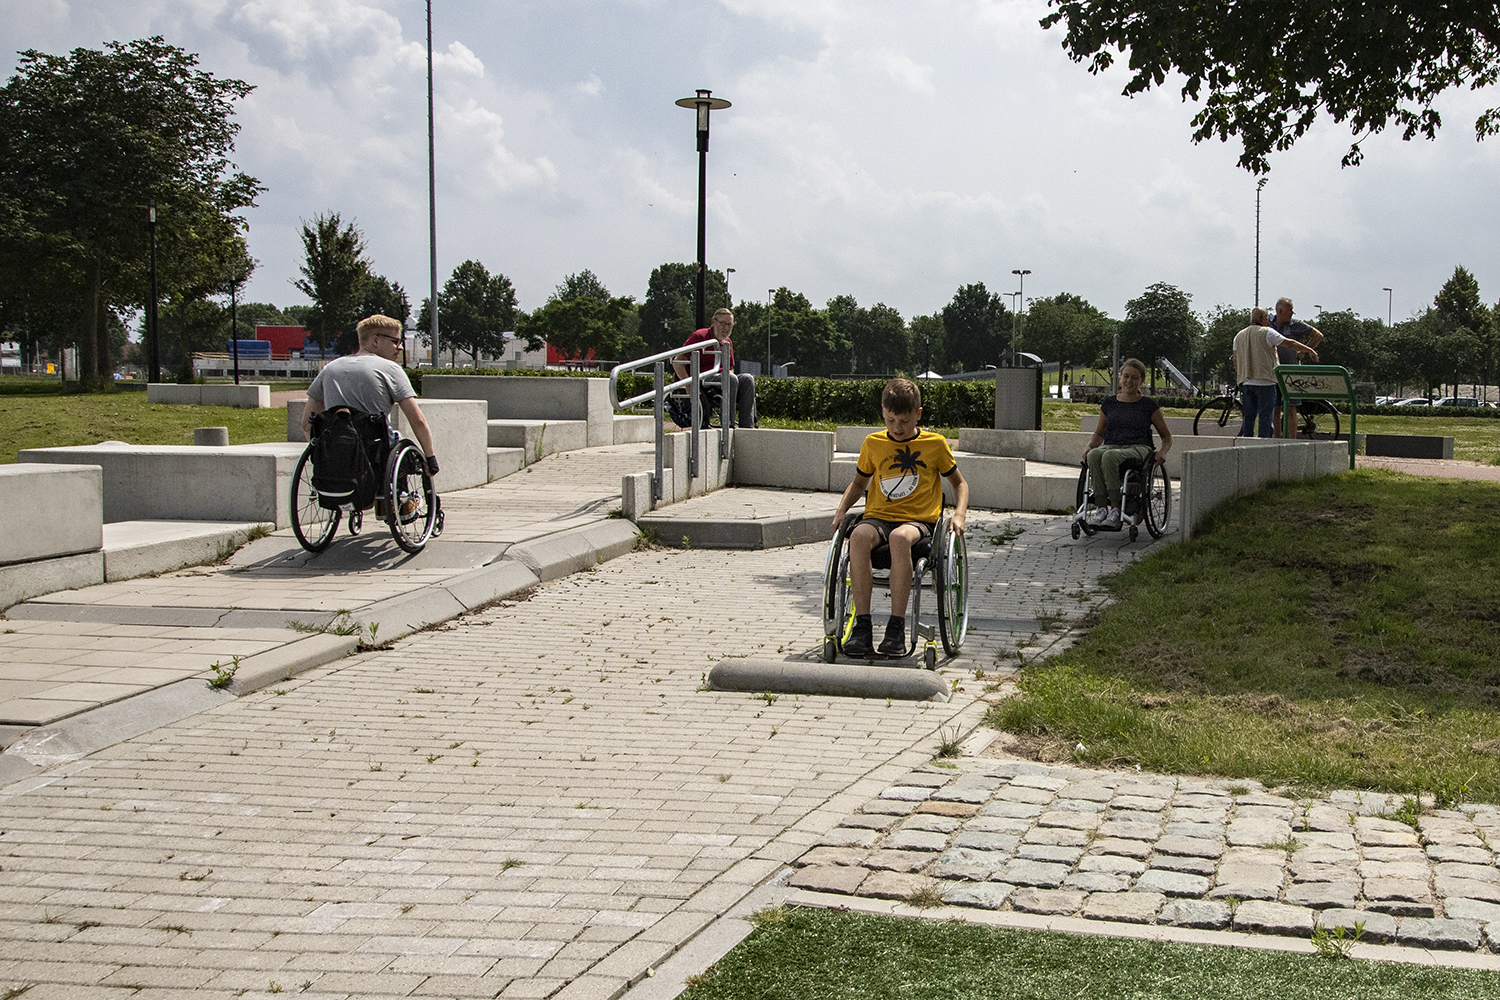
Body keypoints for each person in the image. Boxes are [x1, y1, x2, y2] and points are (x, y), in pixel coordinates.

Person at [831, 378, 969, 657]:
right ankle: (863, 627)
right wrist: (841, 510)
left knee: (899, 538)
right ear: (883, 411)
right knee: (857, 536)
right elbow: (858, 484)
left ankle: (896, 628)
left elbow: (960, 484)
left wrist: (959, 514)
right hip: (879, 516)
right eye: (891, 420)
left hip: (917, 521)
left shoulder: (935, 444)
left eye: (904, 421)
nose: (897, 428)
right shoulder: (873, 443)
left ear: (918, 414)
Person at [302, 314, 439, 478]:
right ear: (375, 340)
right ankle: (404, 499)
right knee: (401, 449)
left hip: (337, 451)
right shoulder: (390, 369)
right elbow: (417, 420)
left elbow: (306, 423)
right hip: (377, 454)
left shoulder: (330, 369)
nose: (400, 347)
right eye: (395, 341)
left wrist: (321, 450)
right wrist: (430, 457)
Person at [1080, 358, 1173, 529]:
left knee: (1109, 456)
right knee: (1094, 455)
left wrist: (1162, 452)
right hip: (1112, 444)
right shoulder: (1109, 403)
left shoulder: (1148, 405)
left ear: (1141, 381)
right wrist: (1089, 446)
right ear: (1120, 377)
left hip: (1138, 447)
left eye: (1135, 378)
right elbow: (1099, 433)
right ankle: (1101, 508)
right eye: (1126, 376)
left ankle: (1115, 510)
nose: (1129, 381)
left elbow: (1166, 436)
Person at [1232, 307, 1319, 437]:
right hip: (1265, 381)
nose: (1268, 319)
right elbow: (1289, 343)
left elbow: (1235, 359)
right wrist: (1309, 350)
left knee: (1248, 417)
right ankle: (1265, 444)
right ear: (1262, 319)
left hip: (1246, 382)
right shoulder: (1267, 332)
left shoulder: (1239, 336)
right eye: (1266, 317)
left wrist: (1241, 375)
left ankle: (1247, 443)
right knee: (1265, 416)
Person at [673, 307, 756, 427]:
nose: (726, 328)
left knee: (747, 379)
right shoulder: (699, 337)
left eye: (729, 325)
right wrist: (688, 384)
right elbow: (678, 361)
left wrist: (731, 378)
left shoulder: (727, 342)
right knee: (730, 379)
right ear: (713, 322)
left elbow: (730, 368)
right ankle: (728, 425)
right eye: (723, 324)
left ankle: (746, 426)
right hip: (703, 378)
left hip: (723, 377)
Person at [1269, 297, 1325, 437]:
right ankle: (1276, 440)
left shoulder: (1296, 325)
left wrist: (1304, 352)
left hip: (1290, 373)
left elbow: (1317, 335)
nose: (1292, 313)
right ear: (1280, 311)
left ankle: (1291, 441)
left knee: (1291, 408)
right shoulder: (1268, 323)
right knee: (1274, 408)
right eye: (1290, 310)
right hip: (1272, 372)